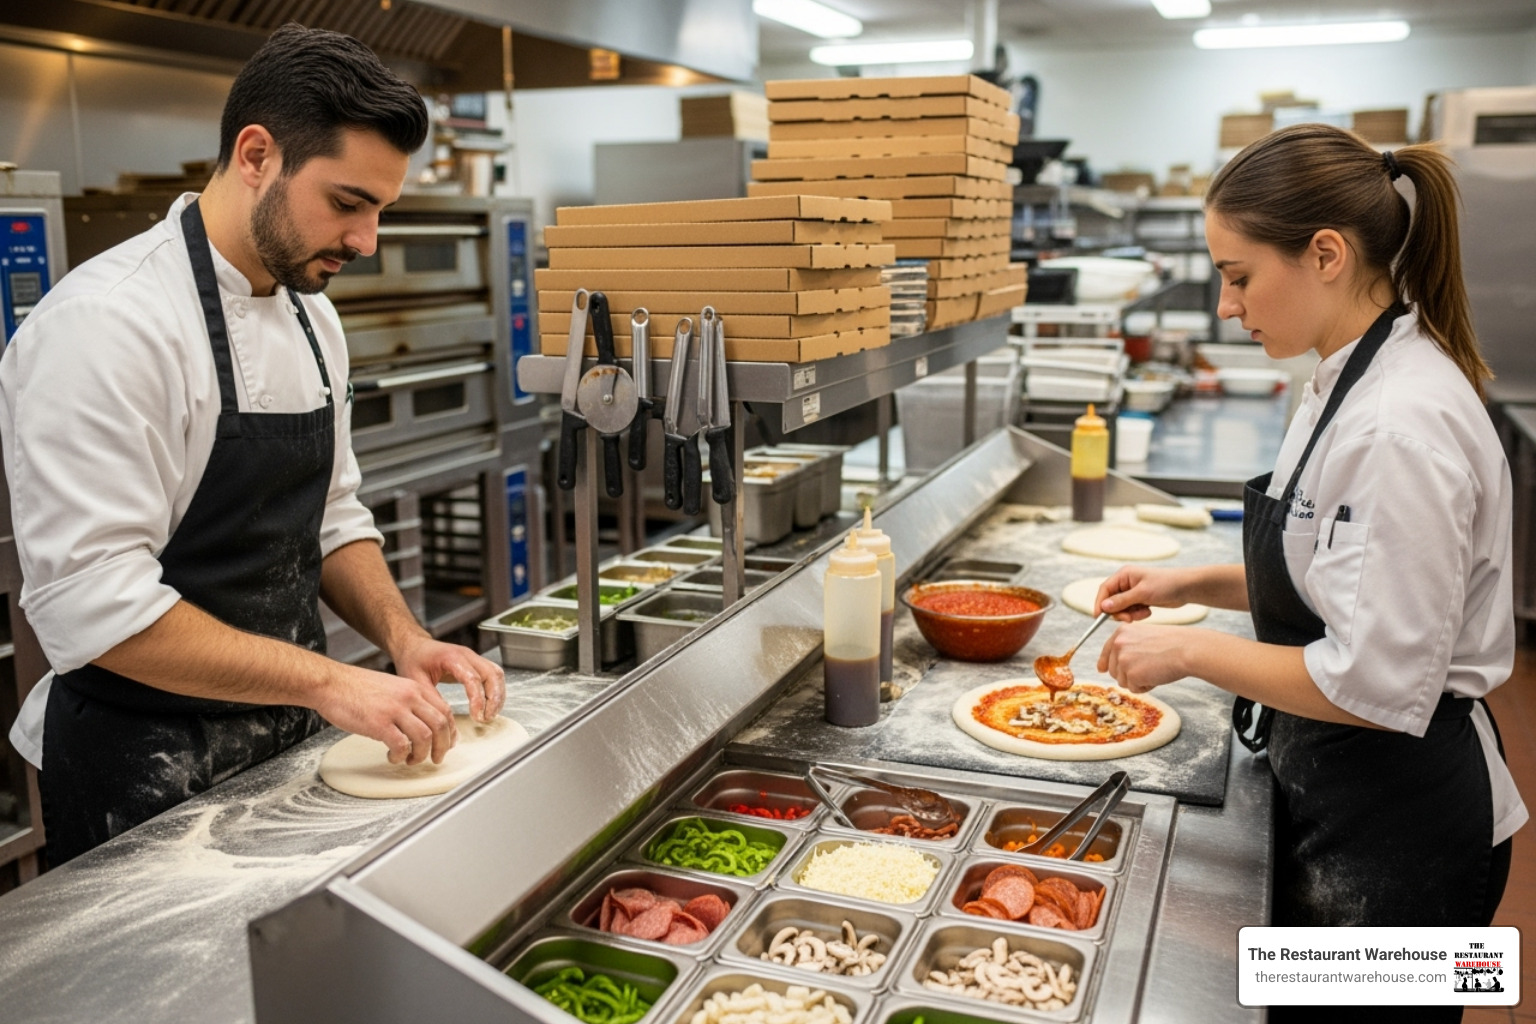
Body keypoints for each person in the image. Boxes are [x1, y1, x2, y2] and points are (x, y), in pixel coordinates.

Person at [0, 24, 505, 866]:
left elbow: (334, 518)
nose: (366, 241)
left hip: (291, 747)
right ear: (257, 154)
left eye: (382, 209)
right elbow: (98, 609)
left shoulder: (314, 313)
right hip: (142, 773)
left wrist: (403, 639)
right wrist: (333, 680)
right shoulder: (106, 327)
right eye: (347, 203)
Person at [1092, 125, 1525, 1020]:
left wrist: (1187, 653)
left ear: (1325, 254)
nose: (1224, 305)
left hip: (1402, 841)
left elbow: (1371, 680)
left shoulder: (1399, 426)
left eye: (1238, 274)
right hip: (1341, 794)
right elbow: (1339, 572)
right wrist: (1194, 586)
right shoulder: (1341, 382)